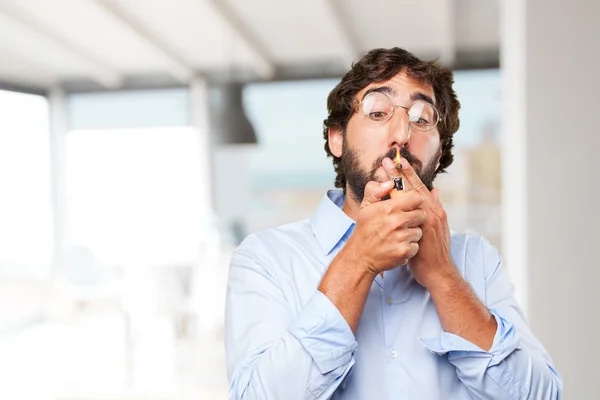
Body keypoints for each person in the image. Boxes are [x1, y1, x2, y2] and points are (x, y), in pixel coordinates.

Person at [224, 47, 562, 399]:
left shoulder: (476, 258)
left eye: (421, 118)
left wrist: (443, 276)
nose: (402, 134)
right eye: (377, 111)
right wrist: (358, 260)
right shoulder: (266, 258)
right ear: (336, 138)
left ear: (440, 150)